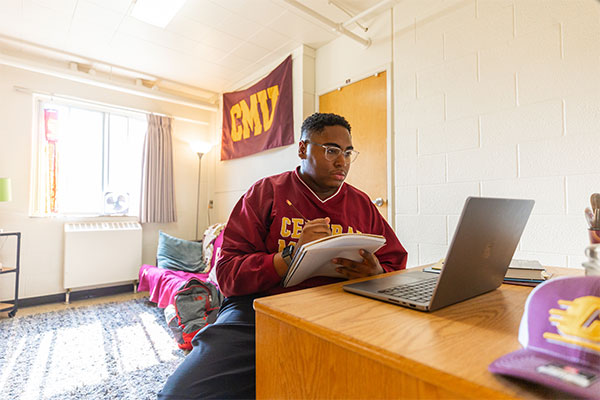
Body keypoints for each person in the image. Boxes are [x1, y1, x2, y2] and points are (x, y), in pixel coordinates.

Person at [158, 112, 407, 399]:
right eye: (331, 151)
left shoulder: (362, 204)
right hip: (259, 311)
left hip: (341, 311)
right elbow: (227, 275)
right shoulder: (266, 193)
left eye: (348, 153)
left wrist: (376, 273)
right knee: (181, 394)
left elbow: (395, 262)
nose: (342, 162)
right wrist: (288, 256)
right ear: (303, 148)